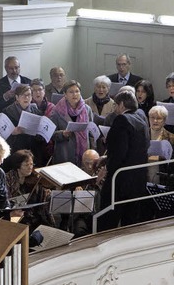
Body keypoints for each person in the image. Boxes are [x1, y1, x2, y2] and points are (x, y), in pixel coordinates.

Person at [98, 90, 149, 231]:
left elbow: (119, 153)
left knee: (108, 221)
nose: (114, 109)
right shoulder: (141, 118)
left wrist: (106, 169)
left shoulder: (121, 120)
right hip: (138, 179)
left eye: (115, 105)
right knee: (131, 223)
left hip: (120, 181)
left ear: (121, 105)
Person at [5, 149, 56, 229]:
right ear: (18, 166)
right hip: (17, 215)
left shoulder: (34, 178)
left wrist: (45, 193)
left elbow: (40, 196)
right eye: (26, 165)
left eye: (31, 164)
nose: (30, 168)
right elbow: (7, 200)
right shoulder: (8, 178)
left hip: (34, 214)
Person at [49, 80, 94, 166]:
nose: (75, 94)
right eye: (71, 92)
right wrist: (63, 134)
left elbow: (91, 132)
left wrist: (93, 151)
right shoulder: (57, 110)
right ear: (65, 94)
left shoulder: (87, 109)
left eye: (77, 91)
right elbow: (50, 133)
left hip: (84, 154)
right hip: (65, 153)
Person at [3, 84, 45, 164]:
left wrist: (40, 132)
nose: (26, 98)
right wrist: (12, 132)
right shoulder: (7, 112)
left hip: (33, 150)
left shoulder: (37, 113)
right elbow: (2, 134)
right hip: (15, 150)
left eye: (29, 95)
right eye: (23, 95)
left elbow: (41, 139)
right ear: (17, 97)